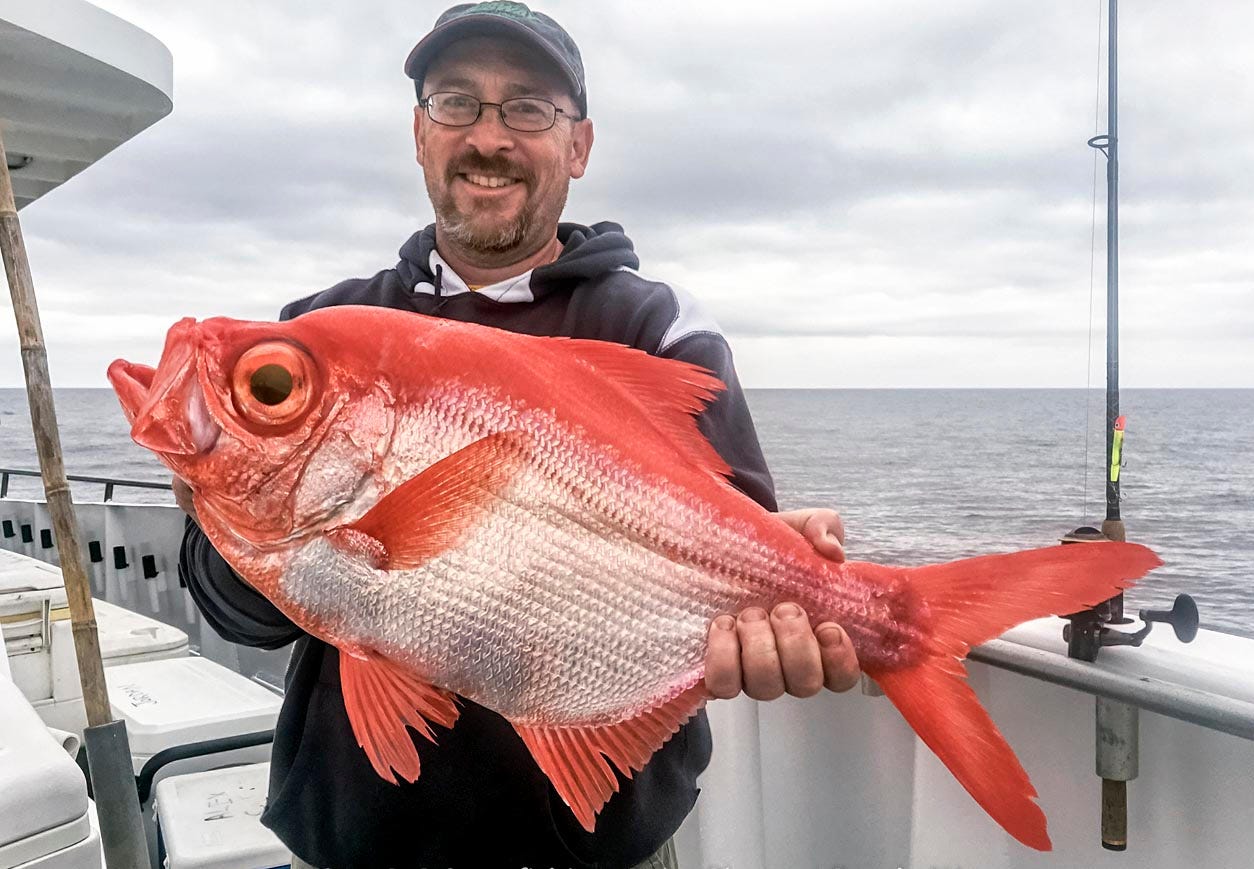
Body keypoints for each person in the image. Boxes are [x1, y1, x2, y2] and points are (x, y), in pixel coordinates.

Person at [175, 4, 861, 867]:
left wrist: (774, 588)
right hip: (359, 839)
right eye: (456, 102)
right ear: (419, 135)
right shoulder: (318, 332)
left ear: (578, 146)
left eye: (528, 107)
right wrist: (225, 508)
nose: (488, 137)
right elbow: (236, 612)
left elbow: (733, 533)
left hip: (598, 844)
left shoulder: (655, 325)